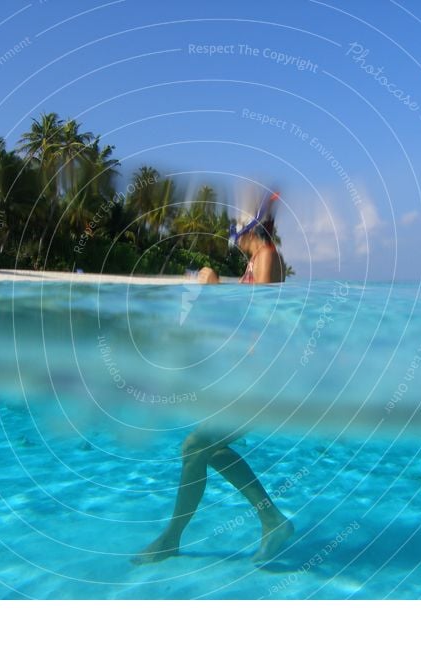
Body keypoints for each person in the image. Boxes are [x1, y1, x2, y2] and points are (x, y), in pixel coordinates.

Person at [134, 192, 294, 565]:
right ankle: (271, 520)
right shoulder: (257, 261)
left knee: (194, 448)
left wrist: (214, 290)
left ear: (246, 229)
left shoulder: (267, 257)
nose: (231, 236)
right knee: (209, 449)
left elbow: (260, 322)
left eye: (233, 228)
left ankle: (172, 540)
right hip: (249, 380)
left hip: (261, 382)